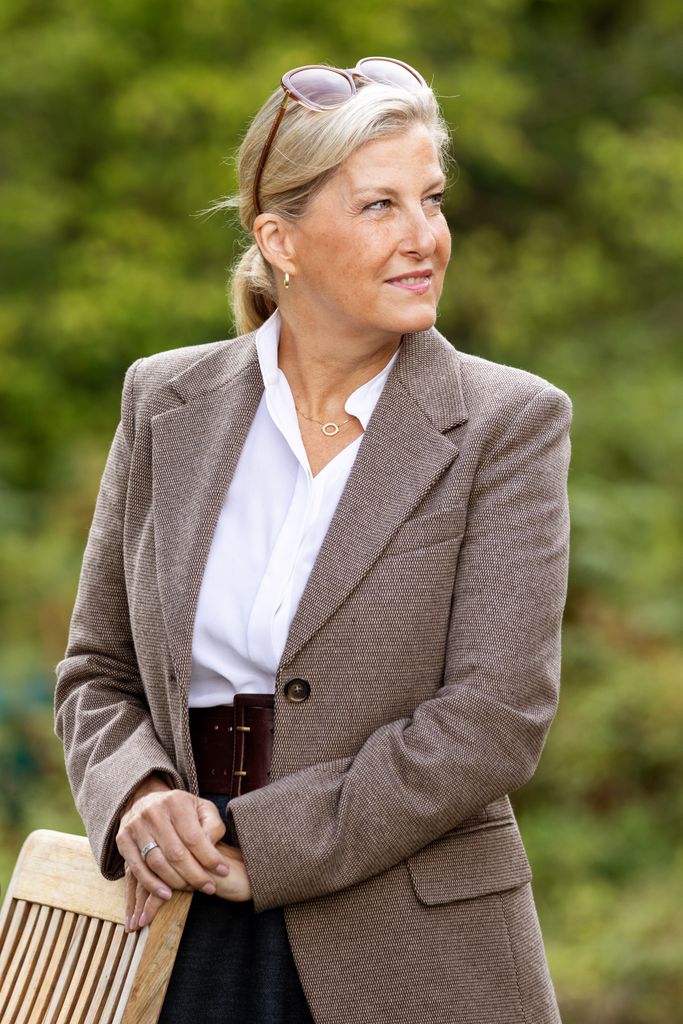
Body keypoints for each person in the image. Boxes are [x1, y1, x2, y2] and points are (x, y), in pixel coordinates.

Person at [54, 56, 572, 1024]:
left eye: (431, 199)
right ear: (278, 239)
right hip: (169, 927)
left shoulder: (510, 421)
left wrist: (264, 840)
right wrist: (136, 797)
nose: (424, 238)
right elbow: (97, 671)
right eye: (380, 205)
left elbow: (494, 716)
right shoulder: (163, 400)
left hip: (409, 948)